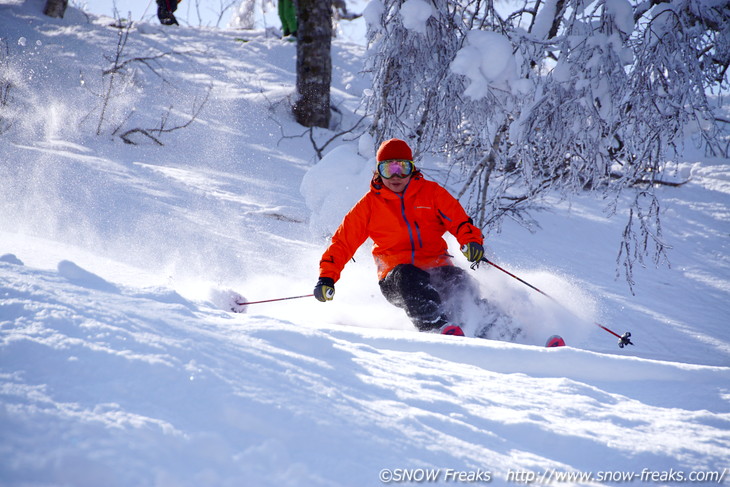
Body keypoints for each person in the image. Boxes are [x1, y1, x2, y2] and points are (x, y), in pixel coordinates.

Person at [313, 138, 486, 336]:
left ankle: (486, 323)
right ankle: (435, 327)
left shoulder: (432, 193)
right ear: (378, 171)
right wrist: (327, 277)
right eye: (388, 169)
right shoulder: (369, 205)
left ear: (412, 169)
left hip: (437, 268)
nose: (396, 176)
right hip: (396, 278)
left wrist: (471, 242)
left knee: (460, 281)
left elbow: (460, 222)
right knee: (408, 275)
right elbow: (343, 242)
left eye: (402, 168)